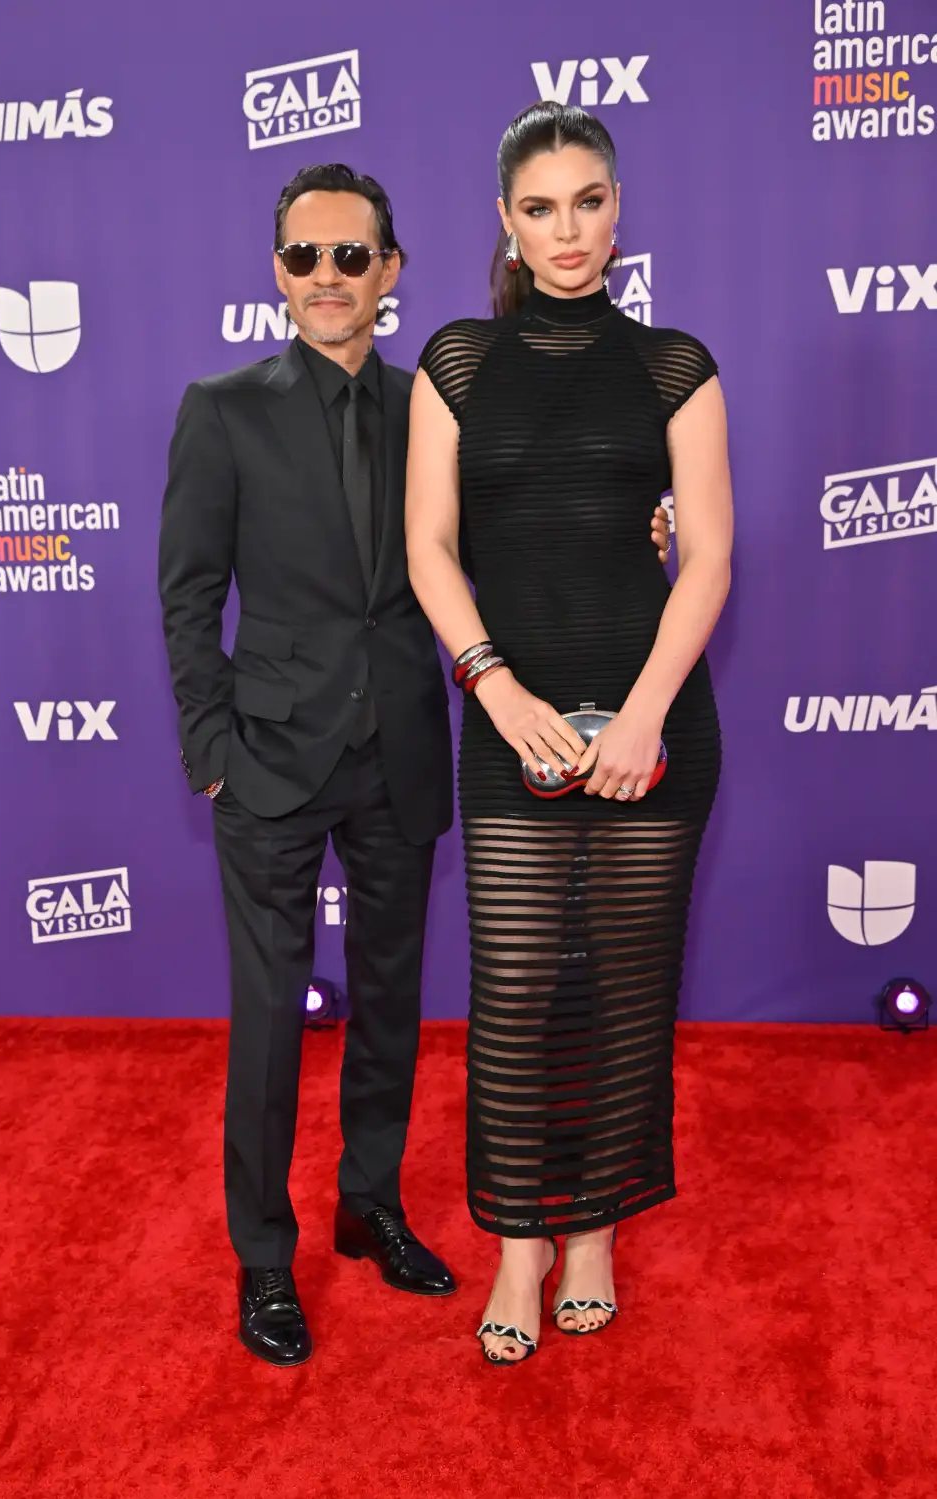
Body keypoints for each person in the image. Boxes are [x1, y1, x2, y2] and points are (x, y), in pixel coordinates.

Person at [159, 160, 674, 1369]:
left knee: (390, 1005)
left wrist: (646, 525)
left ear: (390, 272)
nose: (327, 277)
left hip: (403, 747)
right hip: (271, 762)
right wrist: (211, 753)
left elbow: (517, 528)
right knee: (268, 1025)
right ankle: (265, 1258)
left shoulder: (445, 399)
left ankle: (370, 1203)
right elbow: (187, 596)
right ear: (276, 272)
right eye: (304, 257)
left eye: (352, 256)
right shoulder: (220, 406)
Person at [405, 103, 732, 1365]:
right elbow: (430, 544)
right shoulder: (455, 362)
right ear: (504, 220)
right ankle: (520, 1243)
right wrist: (493, 687)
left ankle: (591, 1228)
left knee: (624, 991)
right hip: (509, 720)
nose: (566, 231)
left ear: (617, 207)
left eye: (587, 201)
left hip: (654, 724)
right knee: (521, 993)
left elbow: (704, 556)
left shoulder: (675, 366)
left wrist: (643, 714)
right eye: (539, 208)